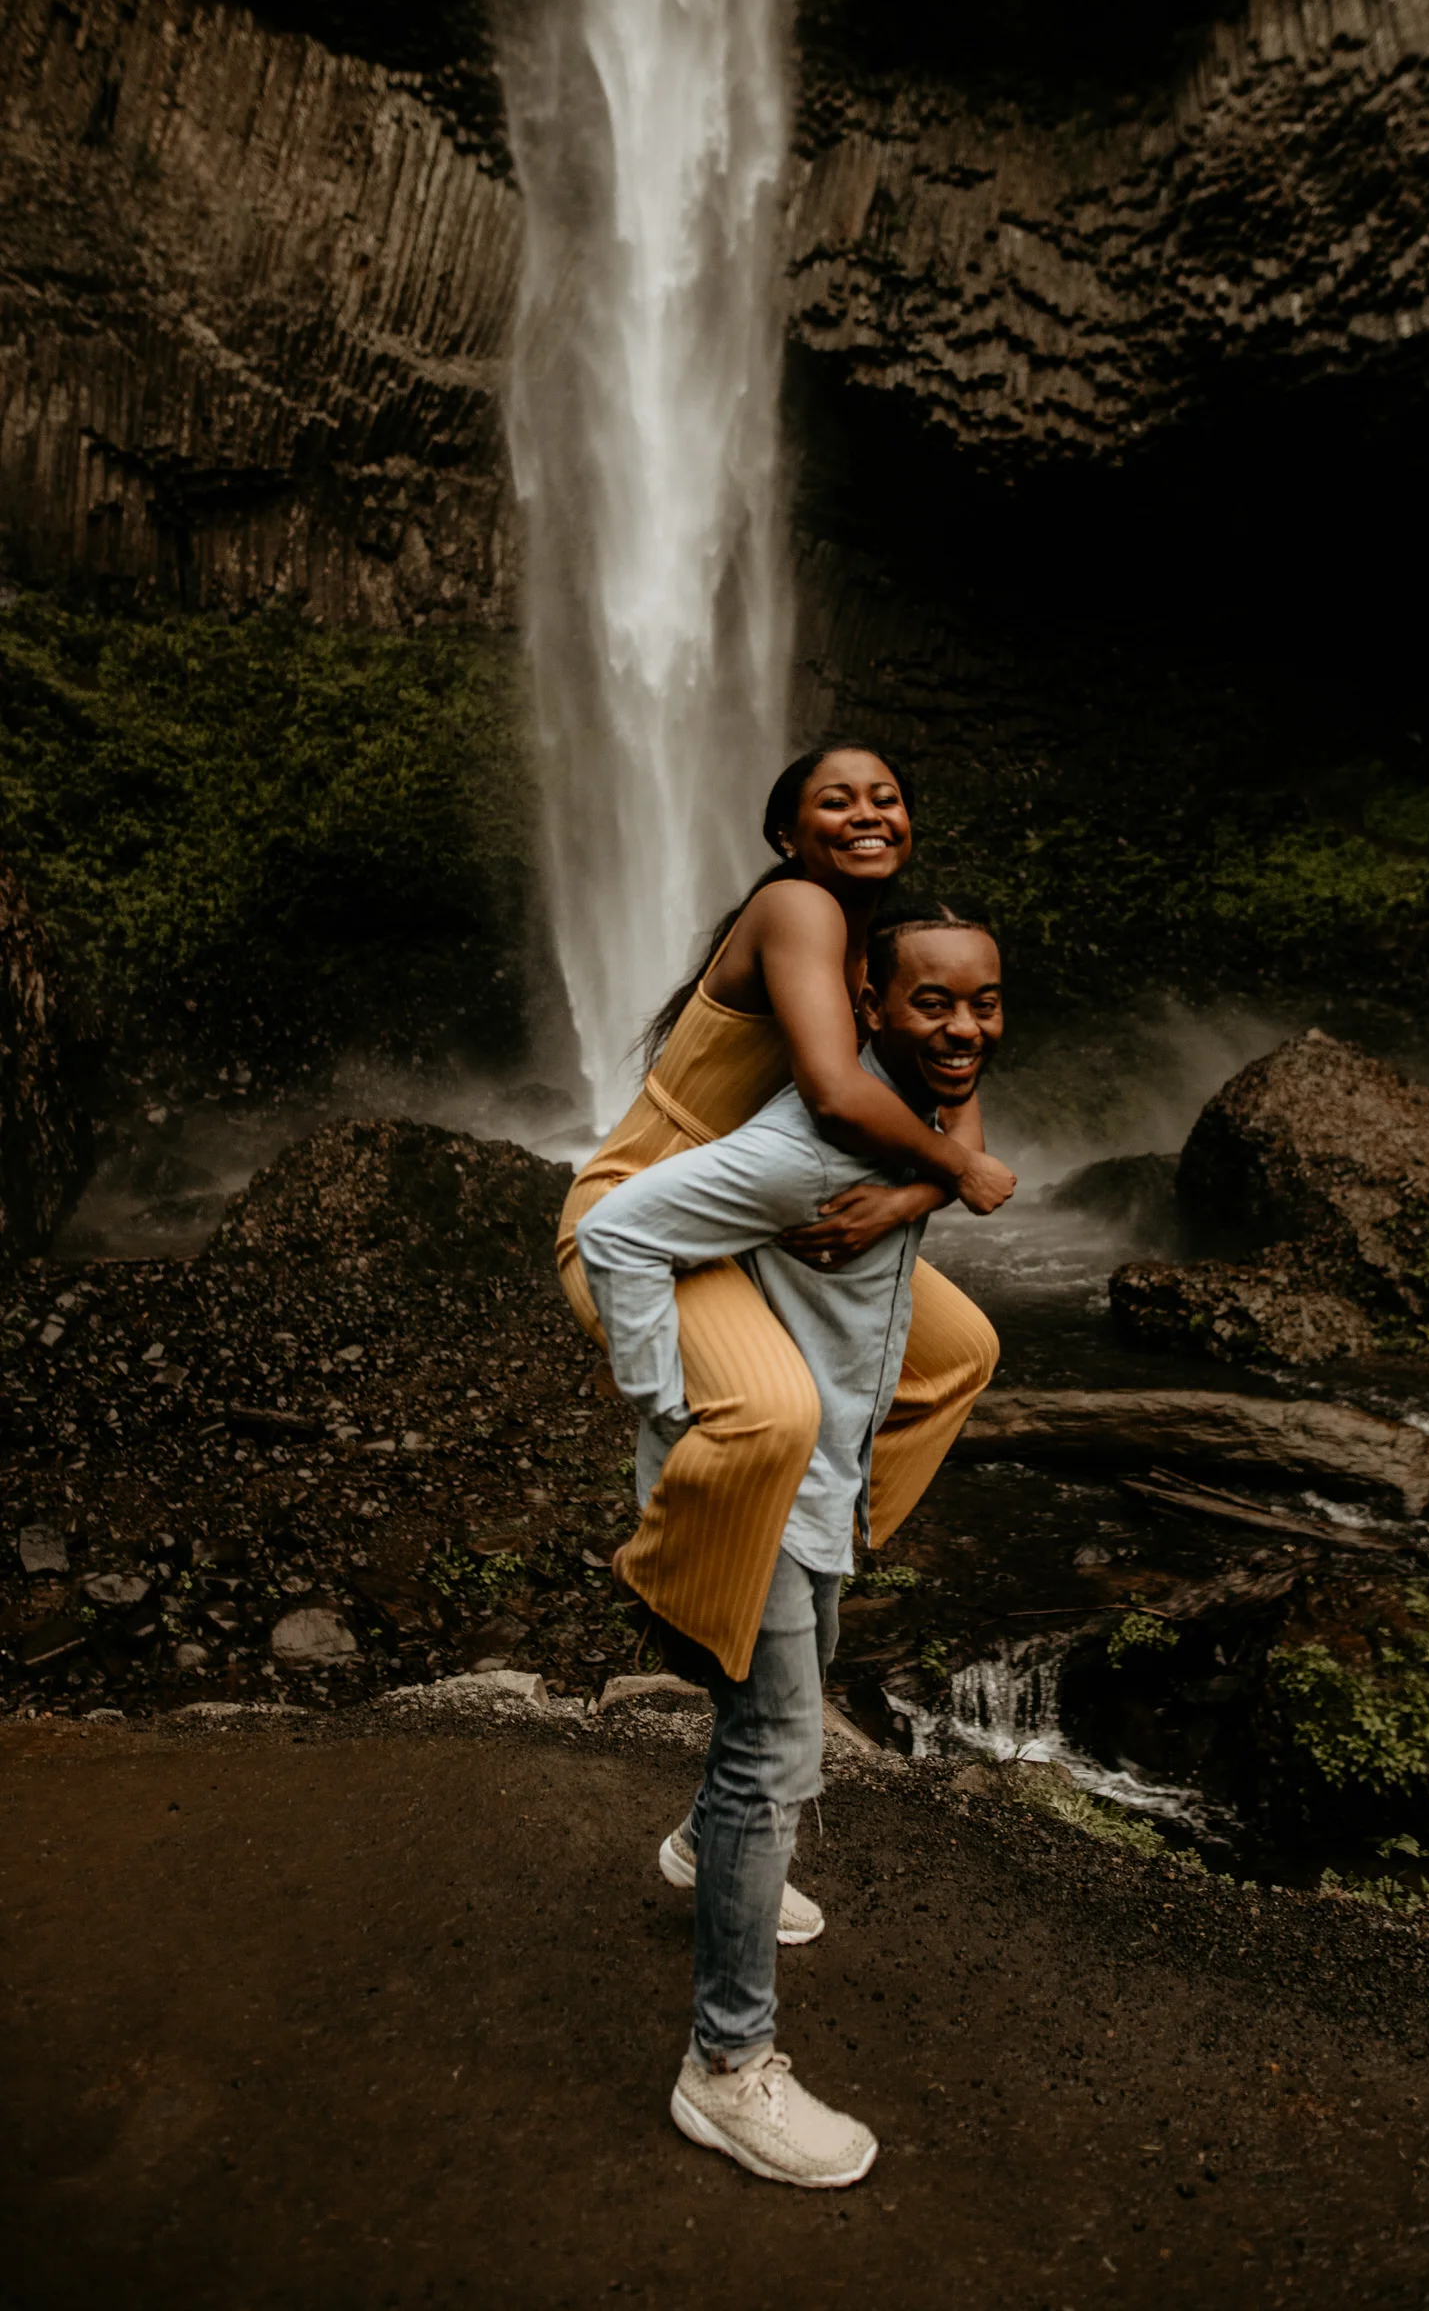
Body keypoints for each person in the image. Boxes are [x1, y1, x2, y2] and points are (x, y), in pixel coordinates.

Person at [575, 911, 1006, 2188]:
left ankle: (706, 1849)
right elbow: (614, 1235)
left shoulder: (902, 1113)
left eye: (984, 1004)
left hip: (818, 1480)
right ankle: (724, 2065)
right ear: (864, 1005)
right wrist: (667, 1410)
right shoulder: (803, 1145)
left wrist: (929, 1183)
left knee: (791, 1695)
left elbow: (962, 1131)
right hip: (756, 1478)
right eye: (933, 1006)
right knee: (780, 1746)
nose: (966, 1029)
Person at [555, 745, 1014, 1685]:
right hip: (652, 1209)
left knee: (959, 1355)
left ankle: (803, 1541)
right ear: (783, 834)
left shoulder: (890, 937)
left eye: (886, 797)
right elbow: (841, 1095)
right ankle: (679, 1575)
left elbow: (952, 1082)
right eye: (836, 801)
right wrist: (959, 1172)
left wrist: (913, 1193)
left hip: (768, 1213)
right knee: (772, 1409)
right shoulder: (797, 907)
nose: (866, 813)